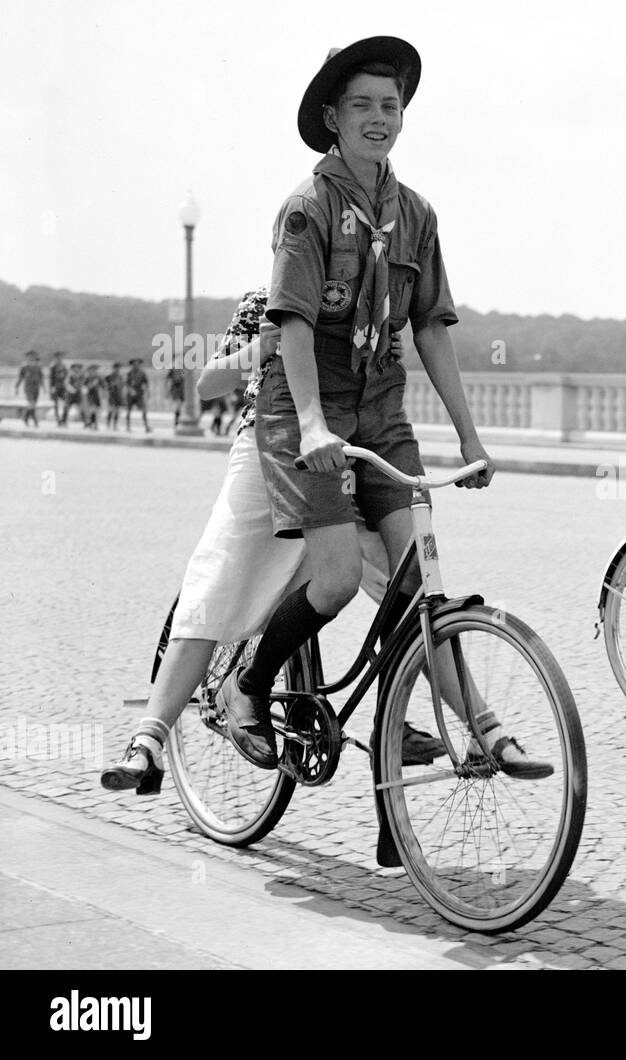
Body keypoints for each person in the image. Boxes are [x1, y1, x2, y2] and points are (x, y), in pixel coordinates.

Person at [217, 36, 547, 780]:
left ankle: (472, 728)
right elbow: (292, 324)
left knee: (414, 579)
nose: (378, 117)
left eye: (390, 105)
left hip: (382, 413)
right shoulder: (307, 209)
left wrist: (471, 437)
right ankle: (248, 682)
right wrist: (308, 424)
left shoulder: (417, 216)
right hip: (306, 409)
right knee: (334, 579)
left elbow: (429, 325)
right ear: (332, 117)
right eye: (361, 105)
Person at [100, 287, 503, 796]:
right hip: (270, 451)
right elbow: (207, 384)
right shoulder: (267, 301)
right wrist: (260, 349)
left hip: (346, 459)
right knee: (220, 579)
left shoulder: (370, 303)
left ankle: (442, 724)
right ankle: (148, 739)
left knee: (409, 595)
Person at [15, 350, 43, 427]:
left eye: (33, 355)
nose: (31, 357)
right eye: (29, 356)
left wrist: (43, 387)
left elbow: (41, 377)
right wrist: (17, 387)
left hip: (36, 388)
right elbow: (20, 377)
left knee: (33, 404)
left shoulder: (38, 366)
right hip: (28, 387)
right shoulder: (24, 366)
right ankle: (35, 420)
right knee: (31, 404)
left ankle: (26, 418)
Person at [124, 358, 152, 432]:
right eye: (134, 364)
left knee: (144, 410)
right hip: (130, 395)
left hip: (139, 394)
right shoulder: (129, 373)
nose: (136, 365)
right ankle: (128, 426)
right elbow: (127, 384)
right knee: (128, 410)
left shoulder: (142, 373)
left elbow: (146, 383)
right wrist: (131, 390)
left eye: (138, 364)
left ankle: (146, 426)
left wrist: (148, 392)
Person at [48, 351, 67, 426]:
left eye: (60, 356)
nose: (59, 358)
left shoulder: (64, 366)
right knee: (56, 405)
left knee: (66, 403)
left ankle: (63, 419)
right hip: (56, 387)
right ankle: (58, 420)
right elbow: (51, 378)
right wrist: (52, 388)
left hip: (63, 387)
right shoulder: (53, 366)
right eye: (58, 357)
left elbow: (66, 376)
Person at [82, 364, 103, 429]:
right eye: (92, 370)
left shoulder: (98, 378)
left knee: (96, 410)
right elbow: (84, 387)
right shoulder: (87, 378)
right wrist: (92, 385)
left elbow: (103, 385)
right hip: (90, 396)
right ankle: (92, 423)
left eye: (95, 370)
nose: (94, 371)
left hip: (97, 396)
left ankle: (92, 423)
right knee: (91, 410)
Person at [105, 363, 125, 429]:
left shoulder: (120, 377)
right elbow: (106, 386)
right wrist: (112, 385)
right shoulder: (109, 377)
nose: (118, 370)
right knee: (111, 410)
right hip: (112, 395)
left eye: (119, 368)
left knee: (117, 411)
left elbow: (122, 386)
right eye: (116, 368)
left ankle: (115, 425)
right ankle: (108, 424)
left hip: (118, 395)